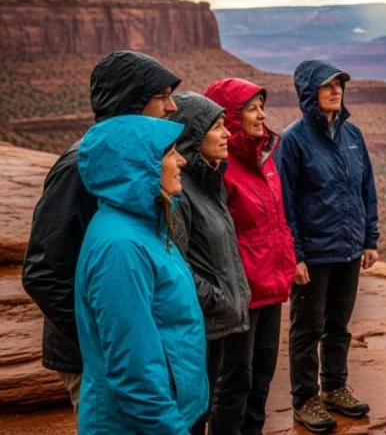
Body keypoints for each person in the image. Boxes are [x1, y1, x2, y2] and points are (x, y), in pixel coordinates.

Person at [22, 50, 181, 414]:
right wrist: (105, 337)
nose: (172, 108)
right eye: (162, 97)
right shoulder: (81, 166)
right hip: (98, 356)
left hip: (130, 345)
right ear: (131, 101)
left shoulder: (130, 160)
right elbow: (43, 271)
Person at [74, 114, 209, 433]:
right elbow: (133, 371)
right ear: (137, 165)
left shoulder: (147, 226)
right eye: (169, 152)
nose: (182, 161)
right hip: (137, 424)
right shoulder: (121, 247)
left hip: (160, 415)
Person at [276, 59, 379, 433]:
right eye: (327, 86)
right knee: (308, 328)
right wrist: (295, 256)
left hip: (349, 248)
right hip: (314, 254)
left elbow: (366, 190)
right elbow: (284, 204)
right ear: (309, 93)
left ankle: (335, 387)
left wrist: (370, 239)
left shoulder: (353, 134)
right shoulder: (293, 141)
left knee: (339, 324)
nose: (336, 91)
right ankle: (305, 399)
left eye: (339, 84)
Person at [204, 78, 297, 435]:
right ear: (229, 117)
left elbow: (279, 219)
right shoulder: (221, 167)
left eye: (262, 107)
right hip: (241, 292)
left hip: (272, 286)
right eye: (252, 109)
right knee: (234, 381)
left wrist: (288, 263)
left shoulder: (266, 157)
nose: (262, 116)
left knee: (262, 376)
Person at [171, 92, 252, 435]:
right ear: (193, 135)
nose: (228, 134)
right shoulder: (180, 191)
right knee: (191, 413)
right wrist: (215, 298)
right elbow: (175, 262)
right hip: (198, 324)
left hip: (215, 321)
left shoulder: (209, 181)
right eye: (218, 127)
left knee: (204, 408)